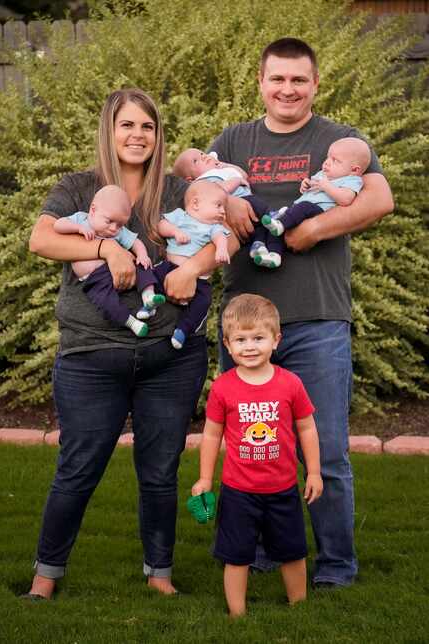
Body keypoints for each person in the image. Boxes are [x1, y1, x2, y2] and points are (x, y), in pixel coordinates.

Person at [24, 88, 238, 600]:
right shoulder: (78, 188)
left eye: (147, 126)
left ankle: (159, 573)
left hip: (171, 356)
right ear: (109, 131)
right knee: (78, 467)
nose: (138, 135)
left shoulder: (176, 191)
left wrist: (190, 266)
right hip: (91, 355)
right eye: (127, 126)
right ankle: (45, 577)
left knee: (161, 470)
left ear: (158, 135)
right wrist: (103, 248)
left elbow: (220, 233)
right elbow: (41, 240)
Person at [209, 37, 394, 588]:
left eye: (299, 80)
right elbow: (189, 176)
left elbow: (379, 200)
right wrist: (230, 198)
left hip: (317, 319)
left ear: (316, 84)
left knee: (328, 452)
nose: (287, 89)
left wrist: (314, 227)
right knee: (250, 450)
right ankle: (260, 554)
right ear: (261, 83)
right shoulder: (235, 139)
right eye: (277, 79)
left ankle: (336, 565)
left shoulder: (341, 140)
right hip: (246, 325)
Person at [191, 294, 323, 616]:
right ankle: (237, 614)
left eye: (258, 338)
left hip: (282, 488)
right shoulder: (223, 388)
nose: (249, 346)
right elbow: (211, 434)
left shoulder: (290, 384)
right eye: (240, 339)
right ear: (227, 344)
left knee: (292, 551)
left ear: (276, 340)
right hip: (238, 491)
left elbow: (307, 428)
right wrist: (205, 479)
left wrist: (315, 471)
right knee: (236, 554)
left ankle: (299, 607)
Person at [53, 184, 164, 338]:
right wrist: (77, 228)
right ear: (93, 210)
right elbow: (58, 225)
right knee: (105, 302)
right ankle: (132, 323)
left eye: (120, 225)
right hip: (95, 278)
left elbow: (136, 242)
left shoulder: (117, 232)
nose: (114, 229)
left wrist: (142, 255)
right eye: (109, 221)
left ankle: (149, 296)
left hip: (119, 268)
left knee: (143, 265)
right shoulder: (80, 220)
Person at [136, 179, 230, 349]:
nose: (223, 211)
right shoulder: (180, 216)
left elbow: (222, 238)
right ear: (195, 203)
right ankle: (149, 301)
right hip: (169, 266)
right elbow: (161, 225)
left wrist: (221, 250)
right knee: (146, 271)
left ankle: (183, 330)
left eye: (224, 207)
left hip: (197, 278)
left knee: (203, 301)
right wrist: (175, 231)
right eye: (218, 205)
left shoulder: (214, 227)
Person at [173, 147, 286, 268]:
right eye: (196, 160)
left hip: (246, 213)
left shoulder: (219, 170)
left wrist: (224, 165)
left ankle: (260, 248)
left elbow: (243, 174)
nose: (203, 157)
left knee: (263, 229)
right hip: (243, 202)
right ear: (190, 179)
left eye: (202, 154)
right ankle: (271, 214)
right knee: (260, 208)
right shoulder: (204, 182)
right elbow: (220, 191)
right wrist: (236, 181)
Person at [261, 137, 370, 237]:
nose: (327, 163)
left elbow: (346, 199)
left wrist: (326, 186)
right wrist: (306, 185)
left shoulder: (352, 180)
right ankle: (273, 253)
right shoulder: (323, 174)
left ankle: (280, 224)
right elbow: (314, 187)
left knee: (302, 208)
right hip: (301, 207)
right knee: (281, 226)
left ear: (354, 170)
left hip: (320, 210)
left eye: (335, 160)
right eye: (328, 158)